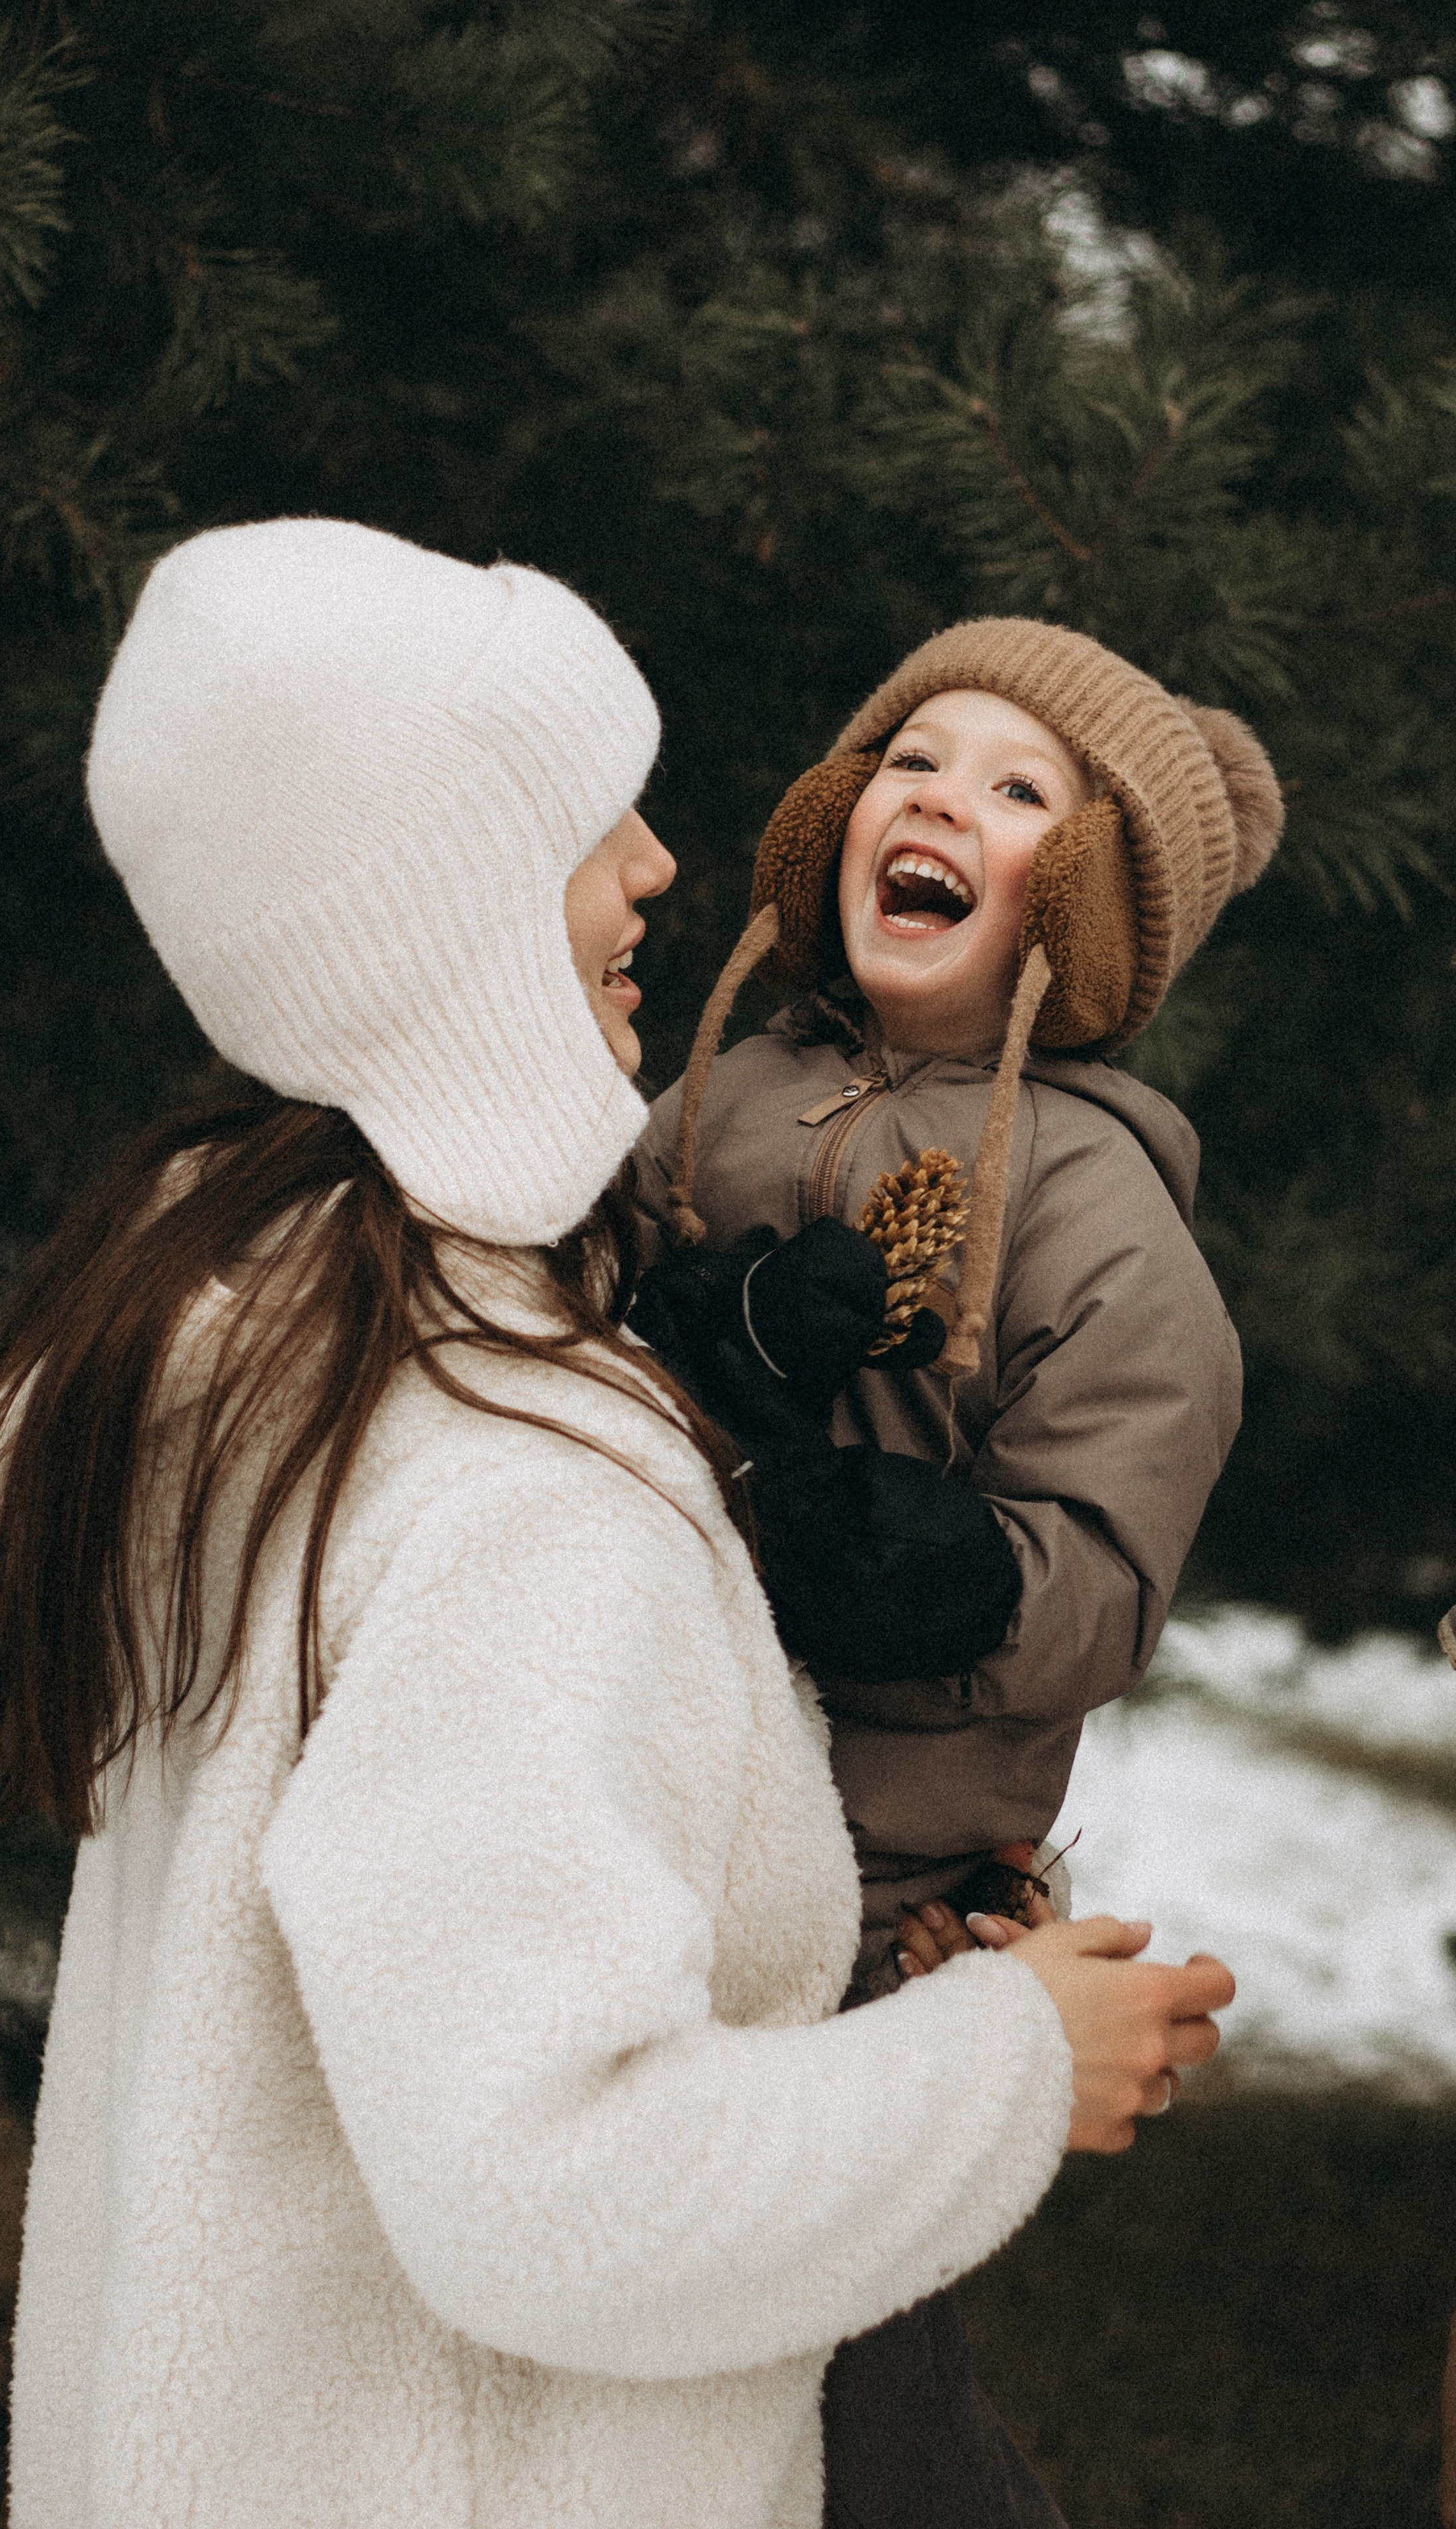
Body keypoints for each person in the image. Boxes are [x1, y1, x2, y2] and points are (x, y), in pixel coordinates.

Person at [0, 527, 1233, 2529]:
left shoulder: (269, 1332)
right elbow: (555, 2182)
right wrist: (1019, 2055)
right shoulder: (523, 1491)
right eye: (595, 814)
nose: (670, 863)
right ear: (443, 905)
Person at [633, 620, 1280, 2524]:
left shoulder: (1093, 1199)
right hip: (670, 1792)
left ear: (1072, 902)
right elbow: (603, 1309)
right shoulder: (730, 1089)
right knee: (659, 2321)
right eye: (916, 757)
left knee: (847, 2370)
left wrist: (964, 1575)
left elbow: (1113, 1551)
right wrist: (716, 1302)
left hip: (874, 1880)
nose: (943, 799)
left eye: (1019, 791)